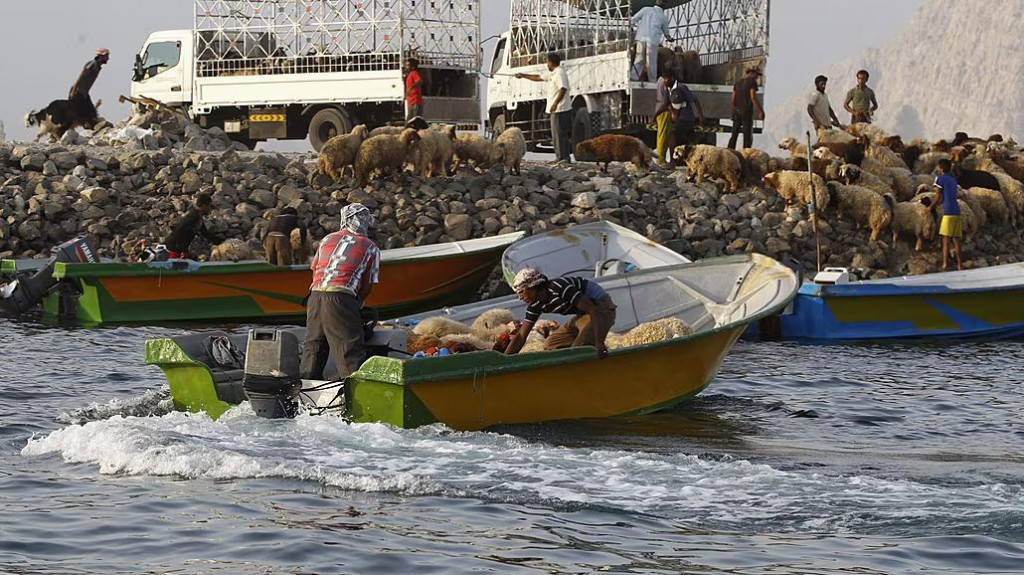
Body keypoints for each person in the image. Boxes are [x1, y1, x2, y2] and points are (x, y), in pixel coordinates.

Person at [301, 204, 381, 380]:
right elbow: (368, 284)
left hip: (315, 296)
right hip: (341, 297)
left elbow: (315, 271)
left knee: (314, 347)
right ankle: (354, 392)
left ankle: (304, 390)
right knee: (349, 350)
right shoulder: (370, 247)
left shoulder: (327, 239)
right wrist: (358, 303)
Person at [505, 268, 617, 360]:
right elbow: (521, 335)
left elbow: (593, 310)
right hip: (584, 314)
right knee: (551, 345)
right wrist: (505, 359)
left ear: (532, 286)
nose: (520, 297)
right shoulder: (535, 304)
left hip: (601, 308)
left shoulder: (559, 288)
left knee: (580, 349)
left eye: (521, 292)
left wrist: (599, 342)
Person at [516, 53, 572, 162]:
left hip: (560, 109)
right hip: (557, 109)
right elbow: (538, 77)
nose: (546, 64)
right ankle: (562, 157)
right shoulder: (553, 74)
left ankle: (562, 157)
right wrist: (523, 75)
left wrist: (555, 103)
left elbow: (563, 88)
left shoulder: (559, 73)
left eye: (547, 62)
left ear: (551, 62)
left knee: (559, 134)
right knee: (558, 134)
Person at [929, 159, 963, 271]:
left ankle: (945, 264)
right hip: (956, 210)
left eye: (938, 168)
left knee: (946, 239)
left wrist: (930, 207)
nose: (938, 169)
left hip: (948, 211)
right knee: (956, 239)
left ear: (941, 169)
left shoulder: (940, 179)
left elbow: (938, 196)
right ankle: (959, 265)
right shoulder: (953, 180)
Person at [164, 193, 217, 259]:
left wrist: (221, 241)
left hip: (177, 249)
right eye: (210, 206)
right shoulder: (193, 216)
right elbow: (180, 230)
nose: (210, 209)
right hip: (173, 248)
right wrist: (184, 250)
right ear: (204, 206)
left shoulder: (198, 218)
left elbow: (205, 233)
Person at [631, 0, 674, 82]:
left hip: (641, 38)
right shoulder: (663, 17)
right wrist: (670, 39)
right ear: (664, 5)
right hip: (652, 40)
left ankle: (634, 77)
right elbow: (666, 33)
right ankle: (652, 80)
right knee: (651, 61)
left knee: (639, 59)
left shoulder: (645, 9)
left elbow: (633, 20)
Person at [69, 48, 109, 127]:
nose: (108, 58)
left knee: (92, 113)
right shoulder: (92, 64)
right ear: (100, 56)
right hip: (78, 92)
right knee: (82, 114)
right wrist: (74, 90)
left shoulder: (97, 66)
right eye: (106, 56)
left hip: (84, 93)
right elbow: (81, 76)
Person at [727, 66, 764, 150]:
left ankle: (729, 151)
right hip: (746, 112)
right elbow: (753, 97)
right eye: (757, 75)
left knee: (734, 135)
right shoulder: (752, 83)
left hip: (737, 112)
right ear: (753, 73)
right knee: (747, 136)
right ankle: (746, 153)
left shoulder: (738, 82)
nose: (757, 77)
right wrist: (760, 111)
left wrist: (734, 111)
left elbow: (733, 99)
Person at [670, 76, 705, 153]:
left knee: (680, 141)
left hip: (685, 118)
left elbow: (695, 100)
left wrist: (701, 116)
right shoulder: (669, 89)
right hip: (680, 119)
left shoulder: (681, 88)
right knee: (679, 141)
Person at [653, 69, 675, 166]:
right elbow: (666, 101)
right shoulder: (665, 83)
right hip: (663, 111)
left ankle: (662, 159)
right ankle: (660, 160)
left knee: (665, 135)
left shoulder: (659, 80)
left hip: (660, 109)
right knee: (663, 136)